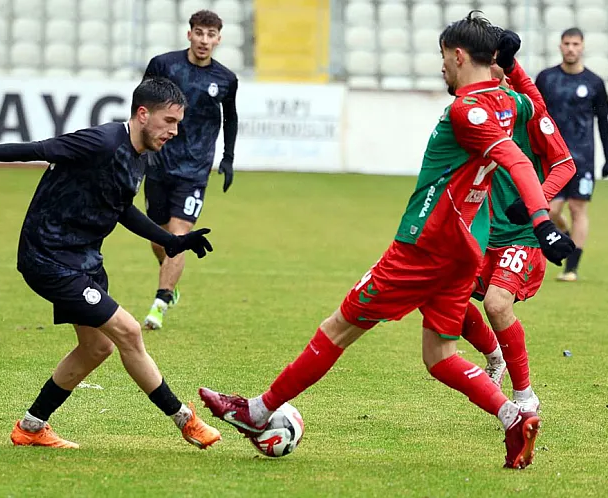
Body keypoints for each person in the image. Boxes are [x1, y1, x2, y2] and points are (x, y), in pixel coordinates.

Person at [198, 13, 575, 469]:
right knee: (439, 355)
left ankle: (258, 412)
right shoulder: (507, 102)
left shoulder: (466, 110)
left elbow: (516, 159)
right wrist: (513, 67)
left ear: (458, 56)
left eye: (443, 58)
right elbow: (534, 107)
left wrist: (542, 222)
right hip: (464, 249)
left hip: (424, 247)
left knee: (339, 326)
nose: (441, 69)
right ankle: (514, 417)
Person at [0, 77, 222, 450]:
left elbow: (121, 207)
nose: (174, 131)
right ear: (143, 114)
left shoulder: (142, 155)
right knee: (129, 331)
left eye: (178, 123)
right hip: (47, 256)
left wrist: (172, 241)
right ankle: (185, 420)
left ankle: (31, 427)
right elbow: (36, 149)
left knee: (97, 348)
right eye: (168, 121)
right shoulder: (101, 142)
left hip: (84, 258)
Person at [461, 30, 577, 414]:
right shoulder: (478, 113)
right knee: (446, 299)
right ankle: (493, 355)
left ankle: (525, 394)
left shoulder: (529, 113)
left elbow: (564, 164)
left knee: (496, 304)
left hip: (523, 233)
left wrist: (536, 204)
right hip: (481, 230)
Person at [141, 9, 239, 330]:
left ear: (219, 39)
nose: (204, 40)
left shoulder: (226, 79)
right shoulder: (163, 65)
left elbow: (231, 118)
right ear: (189, 34)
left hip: (195, 170)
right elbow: (142, 105)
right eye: (199, 33)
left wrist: (228, 158)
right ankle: (171, 281)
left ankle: (160, 301)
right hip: (158, 161)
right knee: (158, 236)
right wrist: (138, 147)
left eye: (211, 35)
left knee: (179, 233)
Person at [536, 27, 608, 281]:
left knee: (578, 209)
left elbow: (602, 122)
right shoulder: (546, 79)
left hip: (582, 158)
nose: (571, 48)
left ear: (582, 47)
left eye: (575, 44)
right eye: (566, 43)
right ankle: (563, 232)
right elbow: (534, 116)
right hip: (552, 157)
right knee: (550, 210)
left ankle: (572, 268)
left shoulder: (594, 83)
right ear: (560, 46)